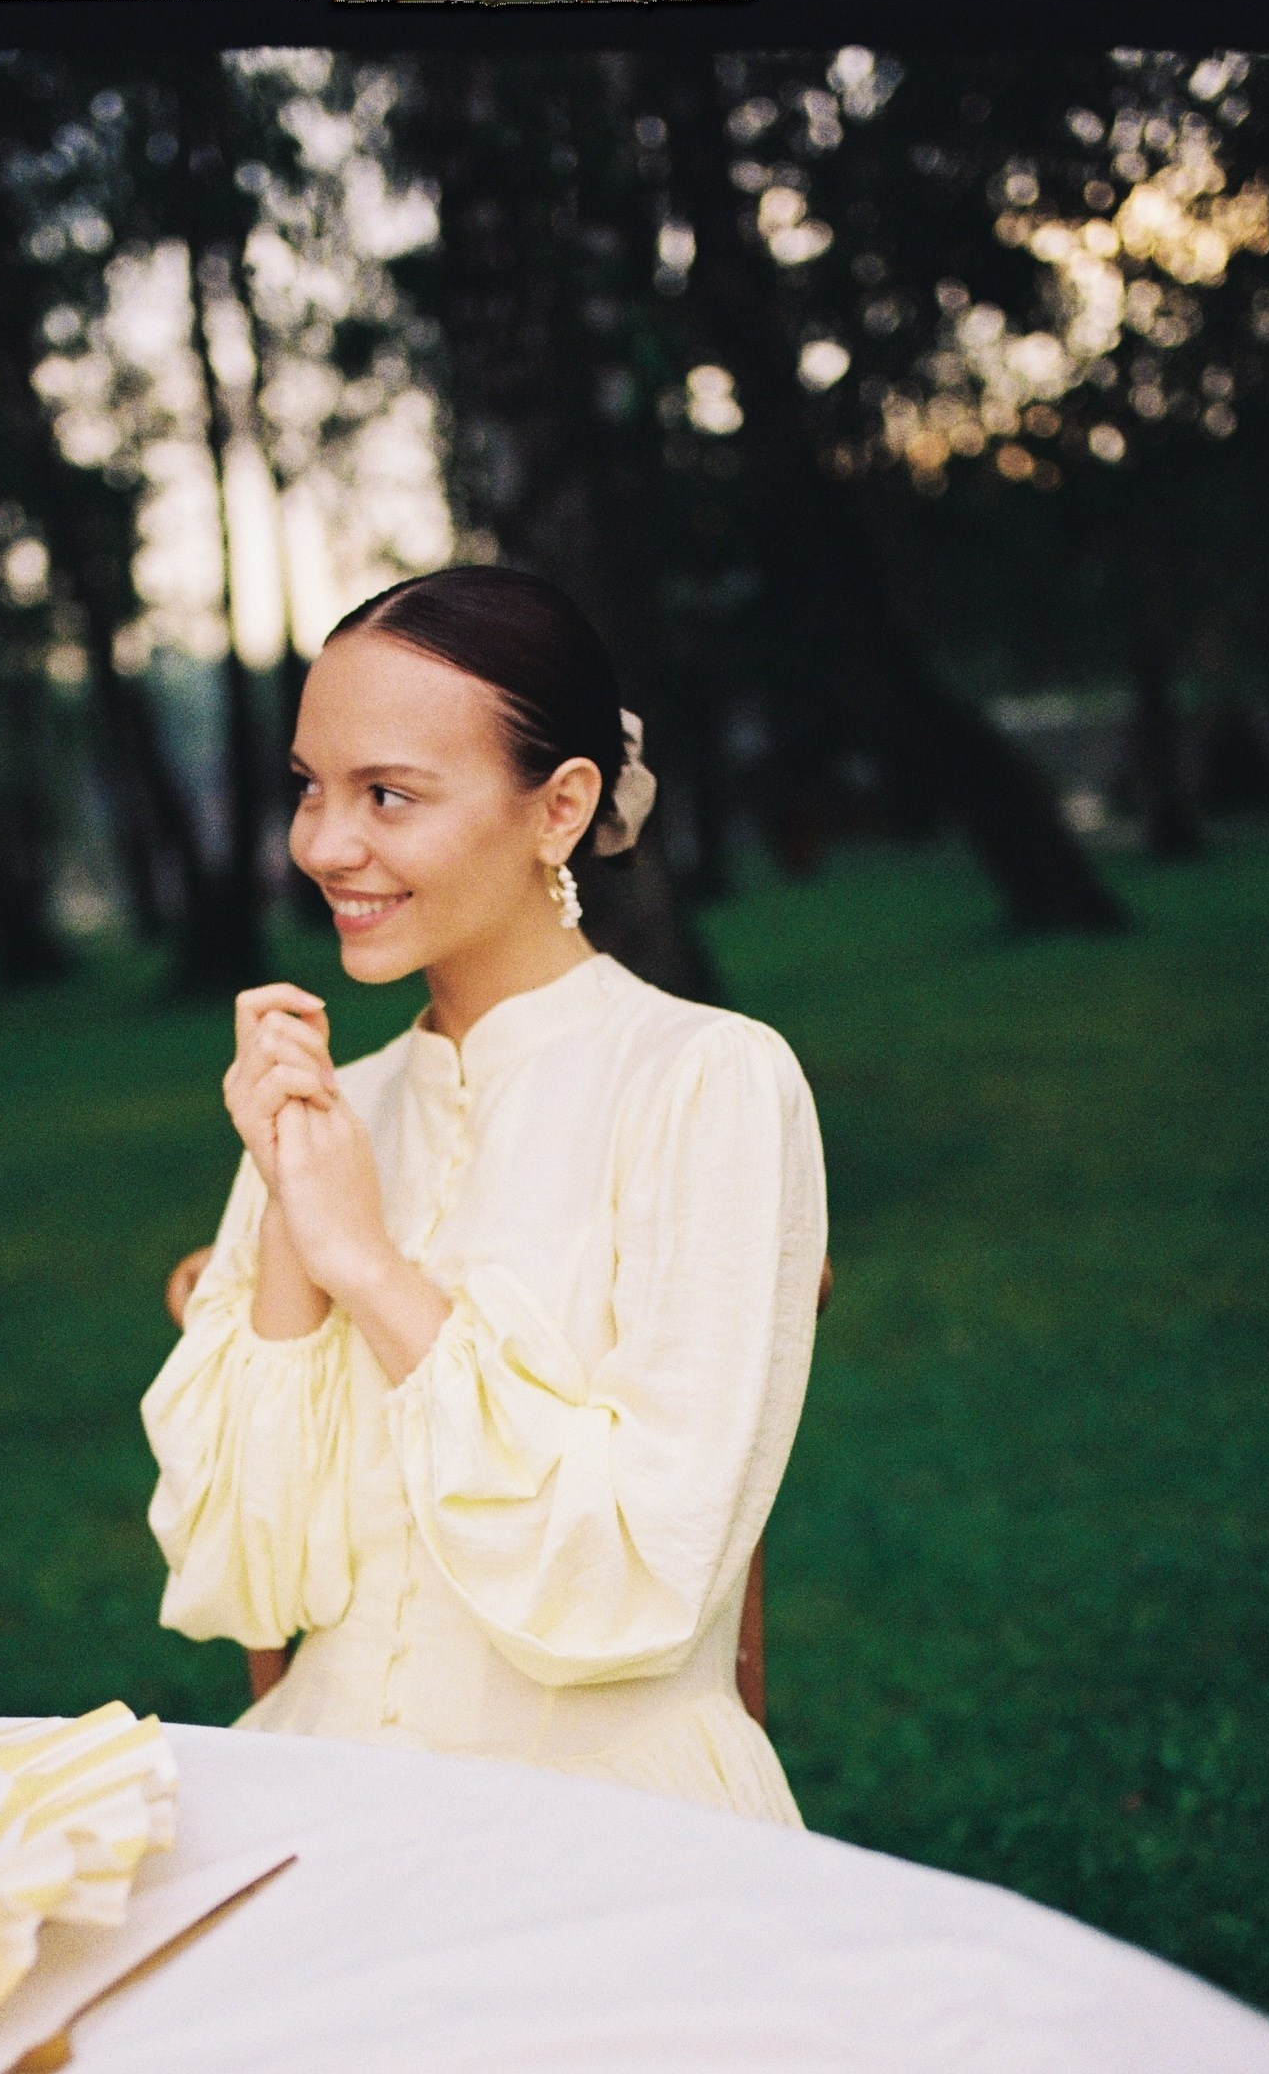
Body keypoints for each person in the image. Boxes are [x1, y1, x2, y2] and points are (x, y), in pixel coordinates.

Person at [140, 565, 827, 1825]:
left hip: (598, 1820)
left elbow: (631, 1581)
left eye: (388, 795)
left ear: (559, 807)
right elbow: (247, 1579)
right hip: (313, 1791)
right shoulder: (328, 1107)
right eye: (309, 787)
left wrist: (373, 1272)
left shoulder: (707, 1085)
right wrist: (298, 1231)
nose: (323, 845)